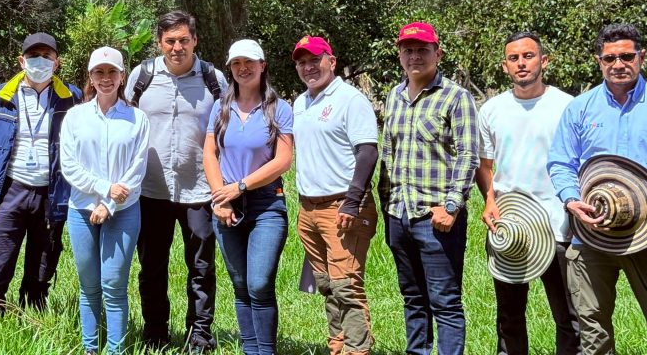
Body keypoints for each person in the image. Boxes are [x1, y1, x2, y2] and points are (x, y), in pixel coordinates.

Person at [548, 23, 647, 355]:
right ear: (599, 61)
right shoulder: (580, 108)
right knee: (592, 329)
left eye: (626, 56)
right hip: (592, 233)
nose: (618, 64)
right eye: (609, 58)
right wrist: (571, 199)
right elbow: (561, 162)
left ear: (641, 57)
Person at [125, 10, 226, 352]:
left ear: (195, 40)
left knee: (200, 267)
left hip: (198, 188)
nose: (177, 47)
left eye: (184, 40)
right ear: (159, 43)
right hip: (151, 190)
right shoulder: (142, 77)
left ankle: (199, 334)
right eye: (170, 41)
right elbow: (125, 125)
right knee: (152, 266)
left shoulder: (214, 79)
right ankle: (155, 332)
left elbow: (227, 131)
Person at [475, 32, 580, 355]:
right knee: (509, 318)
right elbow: (485, 165)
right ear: (505, 66)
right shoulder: (492, 110)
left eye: (528, 56)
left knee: (569, 319)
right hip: (511, 226)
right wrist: (490, 200)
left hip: (558, 225)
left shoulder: (568, 106)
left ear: (544, 61)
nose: (521, 63)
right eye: (514, 58)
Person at [379, 21, 479, 355]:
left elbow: (468, 155)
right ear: (399, 55)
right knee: (413, 299)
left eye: (422, 50)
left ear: (438, 53)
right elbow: (388, 155)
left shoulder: (455, 97)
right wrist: (387, 208)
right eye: (408, 50)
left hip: (435, 218)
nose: (415, 57)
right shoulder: (393, 96)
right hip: (400, 214)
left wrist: (452, 206)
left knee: (445, 302)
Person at [0, 33, 83, 320]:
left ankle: (35, 322)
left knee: (42, 265)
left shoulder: (71, 98)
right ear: (22, 60)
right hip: (9, 189)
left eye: (47, 57)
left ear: (57, 63)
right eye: (33, 56)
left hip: (51, 193)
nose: (40, 62)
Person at [203, 40, 294, 355]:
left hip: (266, 203)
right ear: (230, 67)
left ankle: (265, 351)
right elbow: (209, 154)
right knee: (241, 286)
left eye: (250, 62)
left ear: (262, 65)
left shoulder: (278, 108)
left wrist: (240, 187)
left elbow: (282, 161)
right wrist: (221, 198)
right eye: (237, 63)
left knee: (258, 284)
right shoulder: (220, 107)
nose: (243, 68)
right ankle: (250, 349)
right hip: (226, 204)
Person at [290, 36, 379, 355]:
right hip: (309, 210)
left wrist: (353, 202)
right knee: (326, 285)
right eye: (301, 62)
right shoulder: (301, 103)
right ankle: (337, 346)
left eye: (315, 59)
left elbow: (368, 151)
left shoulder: (349, 99)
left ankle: (357, 350)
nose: (308, 67)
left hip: (343, 207)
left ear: (332, 61)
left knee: (346, 287)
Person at [61, 46, 150, 355]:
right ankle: (89, 347)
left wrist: (110, 203)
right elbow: (69, 165)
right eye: (99, 72)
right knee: (89, 287)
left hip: (123, 210)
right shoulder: (75, 117)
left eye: (112, 72)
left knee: (113, 285)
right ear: (90, 76)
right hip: (82, 209)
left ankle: (116, 350)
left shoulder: (137, 118)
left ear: (122, 76)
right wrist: (103, 189)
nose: (106, 78)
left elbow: (137, 169)